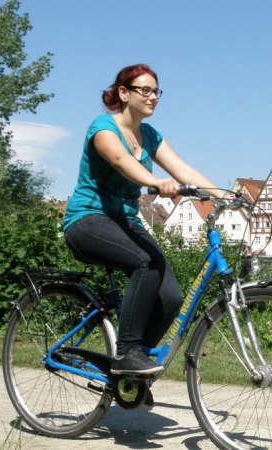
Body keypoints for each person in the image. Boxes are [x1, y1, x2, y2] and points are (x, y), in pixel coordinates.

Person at [63, 64, 226, 376]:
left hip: (125, 221)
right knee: (144, 263)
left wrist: (223, 194)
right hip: (88, 220)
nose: (153, 97)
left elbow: (184, 170)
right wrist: (155, 182)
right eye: (145, 90)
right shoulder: (103, 129)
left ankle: (134, 373)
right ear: (124, 93)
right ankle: (126, 352)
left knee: (170, 297)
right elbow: (122, 162)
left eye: (156, 92)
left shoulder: (149, 135)